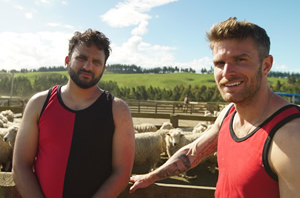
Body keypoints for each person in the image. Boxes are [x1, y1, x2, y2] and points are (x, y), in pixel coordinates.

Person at [129, 17, 300, 197]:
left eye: (240, 60)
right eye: (219, 63)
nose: (226, 73)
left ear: (266, 65)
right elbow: (193, 152)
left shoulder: (290, 137)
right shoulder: (229, 113)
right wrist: (151, 176)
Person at [12, 29, 135, 198]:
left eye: (96, 62)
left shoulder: (118, 110)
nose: (88, 66)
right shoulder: (39, 103)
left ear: (104, 68)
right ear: (67, 60)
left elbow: (121, 173)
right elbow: (20, 165)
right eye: (81, 58)